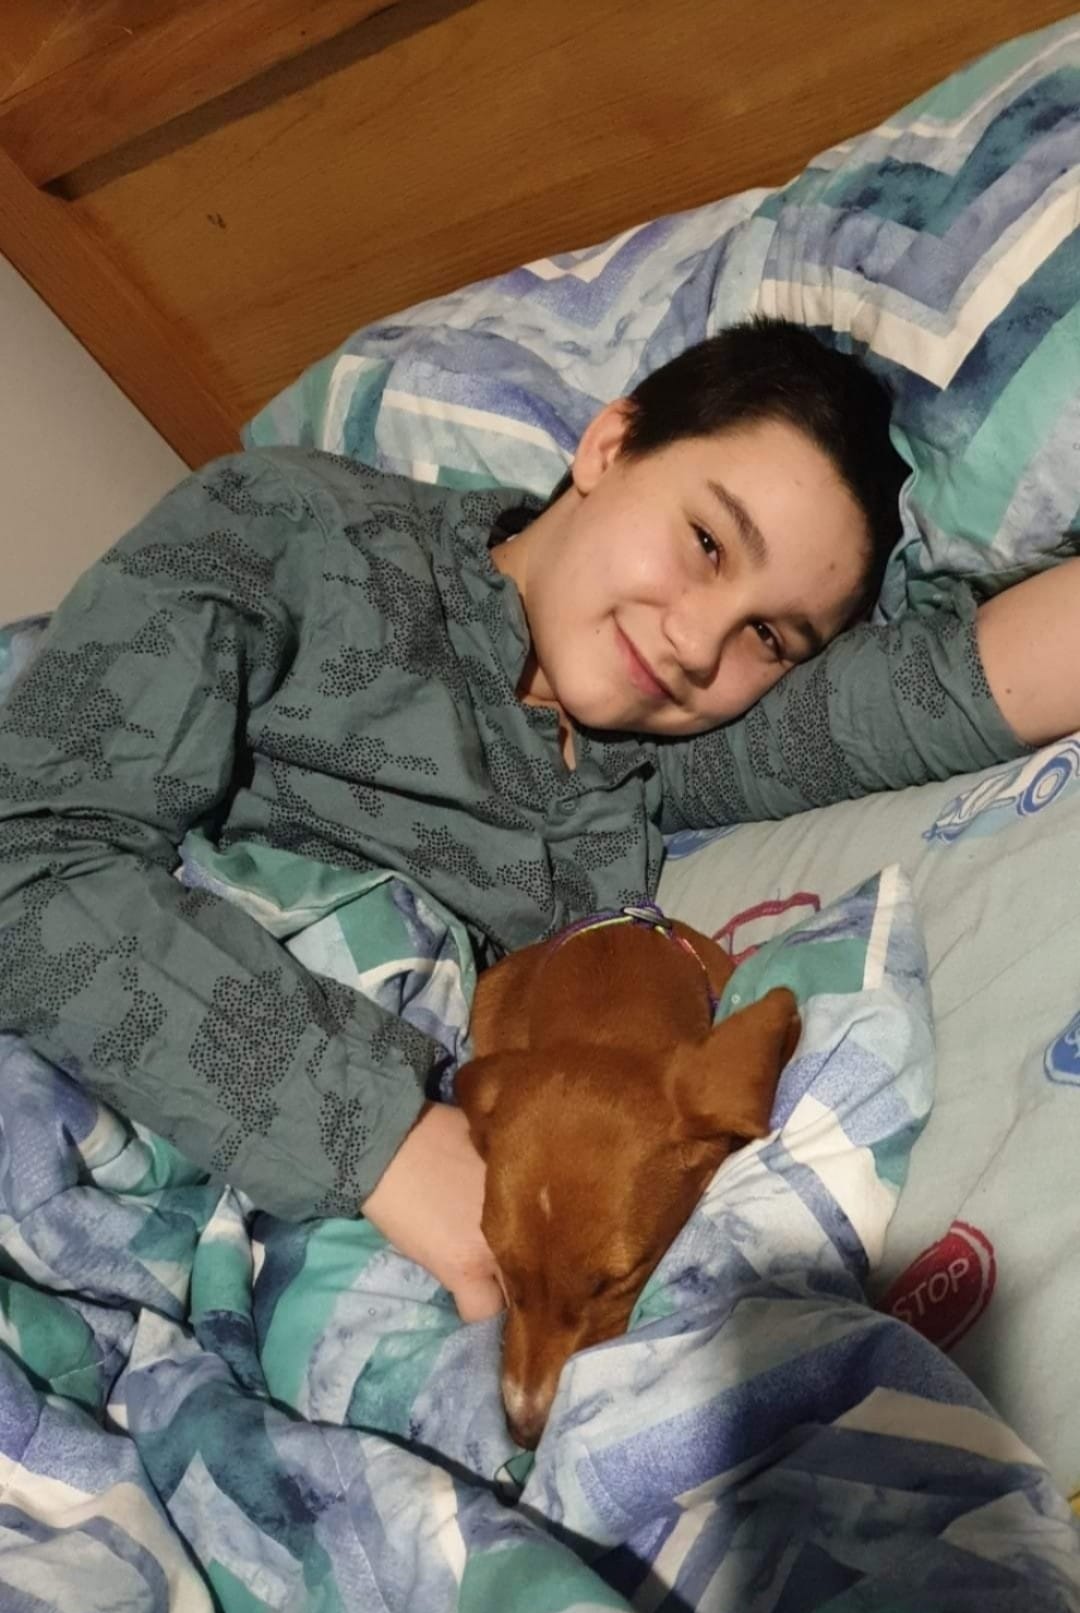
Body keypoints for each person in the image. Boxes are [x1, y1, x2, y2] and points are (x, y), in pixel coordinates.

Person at [0, 318, 1076, 1325]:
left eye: (770, 636)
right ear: (610, 445)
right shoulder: (292, 532)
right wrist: (383, 1140)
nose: (699, 641)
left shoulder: (672, 750)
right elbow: (26, 851)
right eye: (707, 541)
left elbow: (962, 686)